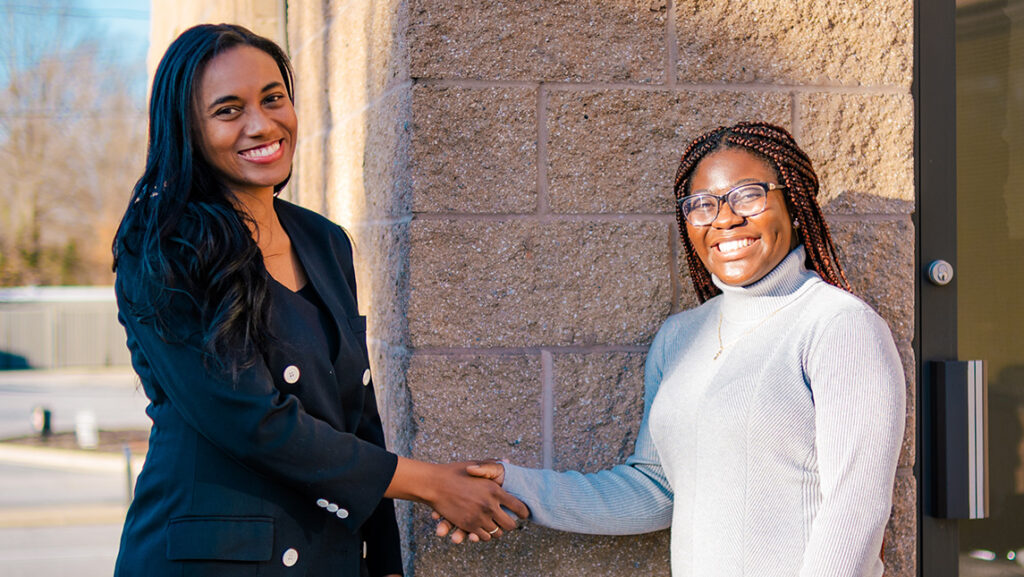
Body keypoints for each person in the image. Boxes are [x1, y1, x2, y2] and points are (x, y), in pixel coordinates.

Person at [112, 24, 527, 577]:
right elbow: (252, 421)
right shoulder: (162, 249)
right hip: (209, 560)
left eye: (273, 97)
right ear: (187, 128)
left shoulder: (323, 241)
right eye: (228, 110)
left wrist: (382, 563)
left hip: (325, 556)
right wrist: (431, 484)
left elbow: (357, 416)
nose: (262, 125)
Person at [437, 122, 906, 576]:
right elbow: (654, 489)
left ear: (794, 203)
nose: (725, 218)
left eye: (748, 195)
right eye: (701, 204)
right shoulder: (679, 337)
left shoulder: (839, 326)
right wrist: (515, 484)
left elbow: (856, 508)